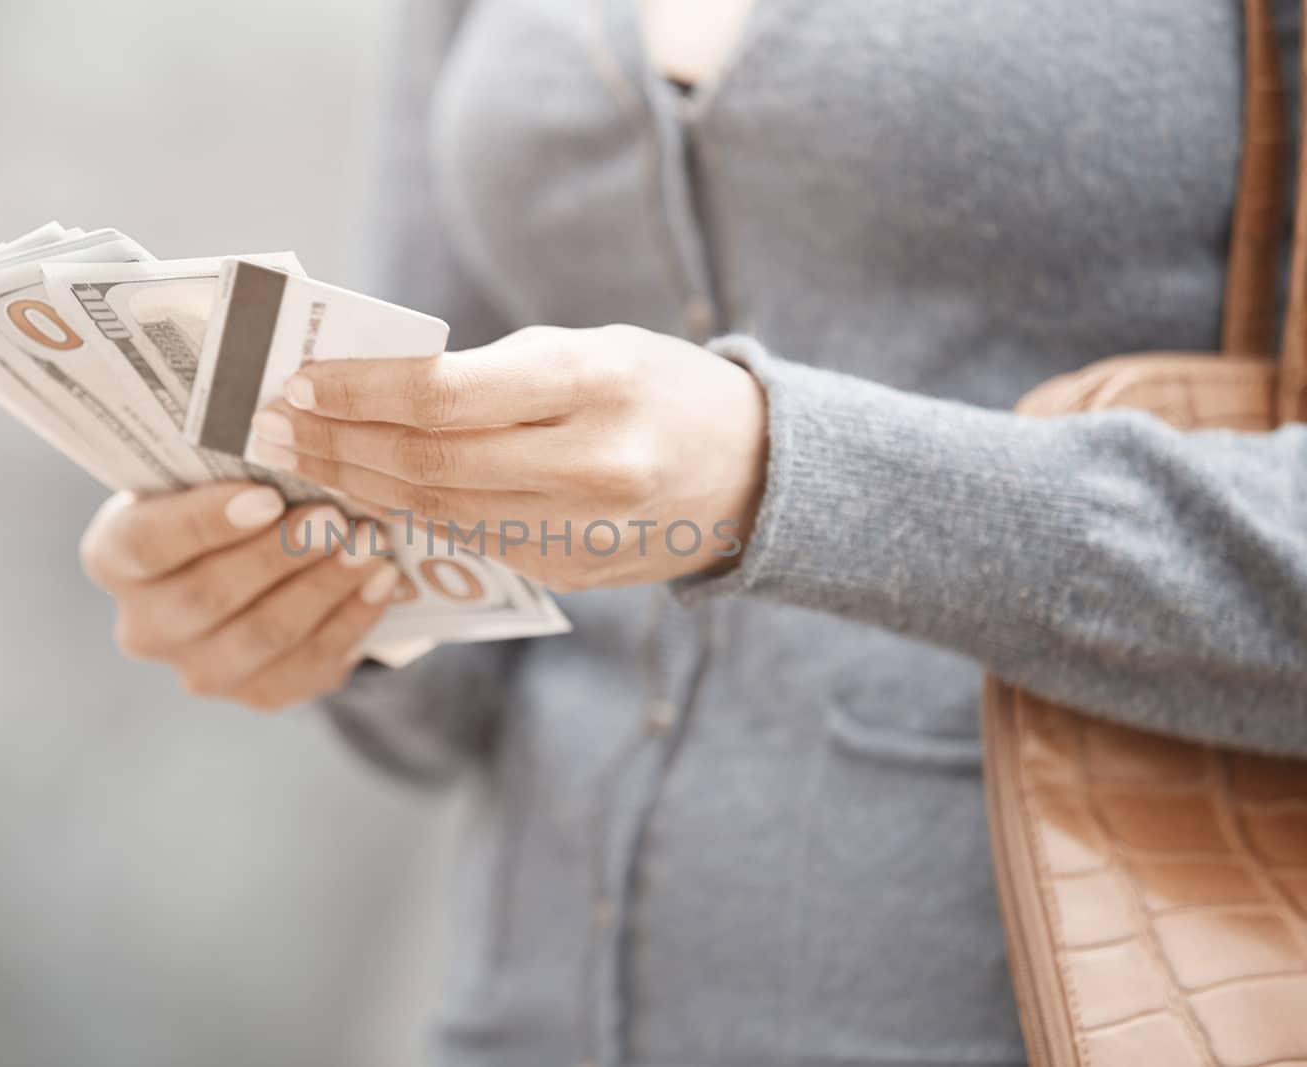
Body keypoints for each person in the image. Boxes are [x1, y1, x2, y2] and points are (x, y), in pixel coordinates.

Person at [79, 1, 1307, 1063]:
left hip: (1064, 1008)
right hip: (523, 1008)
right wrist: (307, 610)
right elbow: (454, 673)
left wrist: (778, 471)